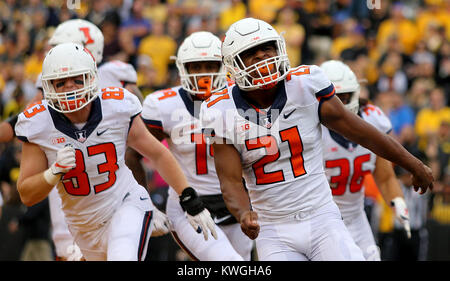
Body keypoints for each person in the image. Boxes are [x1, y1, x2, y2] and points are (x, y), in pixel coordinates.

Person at [200, 18, 434, 261]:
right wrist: (243, 213)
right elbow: (230, 181)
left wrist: (412, 163)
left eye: (267, 48)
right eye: (250, 53)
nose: (262, 56)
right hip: (272, 229)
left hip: (321, 217)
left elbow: (362, 132)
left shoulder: (306, 85)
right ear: (232, 64)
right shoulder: (220, 110)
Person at [15, 42, 217, 261]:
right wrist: (53, 172)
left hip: (126, 203)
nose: (70, 87)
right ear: (49, 86)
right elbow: (27, 194)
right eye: (61, 82)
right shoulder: (38, 123)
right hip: (83, 225)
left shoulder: (116, 106)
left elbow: (156, 153)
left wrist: (189, 199)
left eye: (77, 79)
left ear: (91, 78)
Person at [34, 18, 162, 261]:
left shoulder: (113, 76)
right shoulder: (54, 84)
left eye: (62, 46)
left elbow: (139, 142)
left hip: (110, 186)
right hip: (73, 189)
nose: (54, 54)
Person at [141, 31, 252, 261]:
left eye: (210, 65)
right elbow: (134, 153)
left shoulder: (242, 97)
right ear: (182, 68)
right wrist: (143, 202)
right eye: (196, 66)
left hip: (238, 201)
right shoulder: (163, 105)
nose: (204, 73)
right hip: (189, 203)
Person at [319, 60, 411, 261]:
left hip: (356, 217)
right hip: (322, 222)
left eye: (345, 97)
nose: (341, 104)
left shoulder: (373, 119)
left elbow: (385, 177)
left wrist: (398, 203)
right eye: (335, 97)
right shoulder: (312, 130)